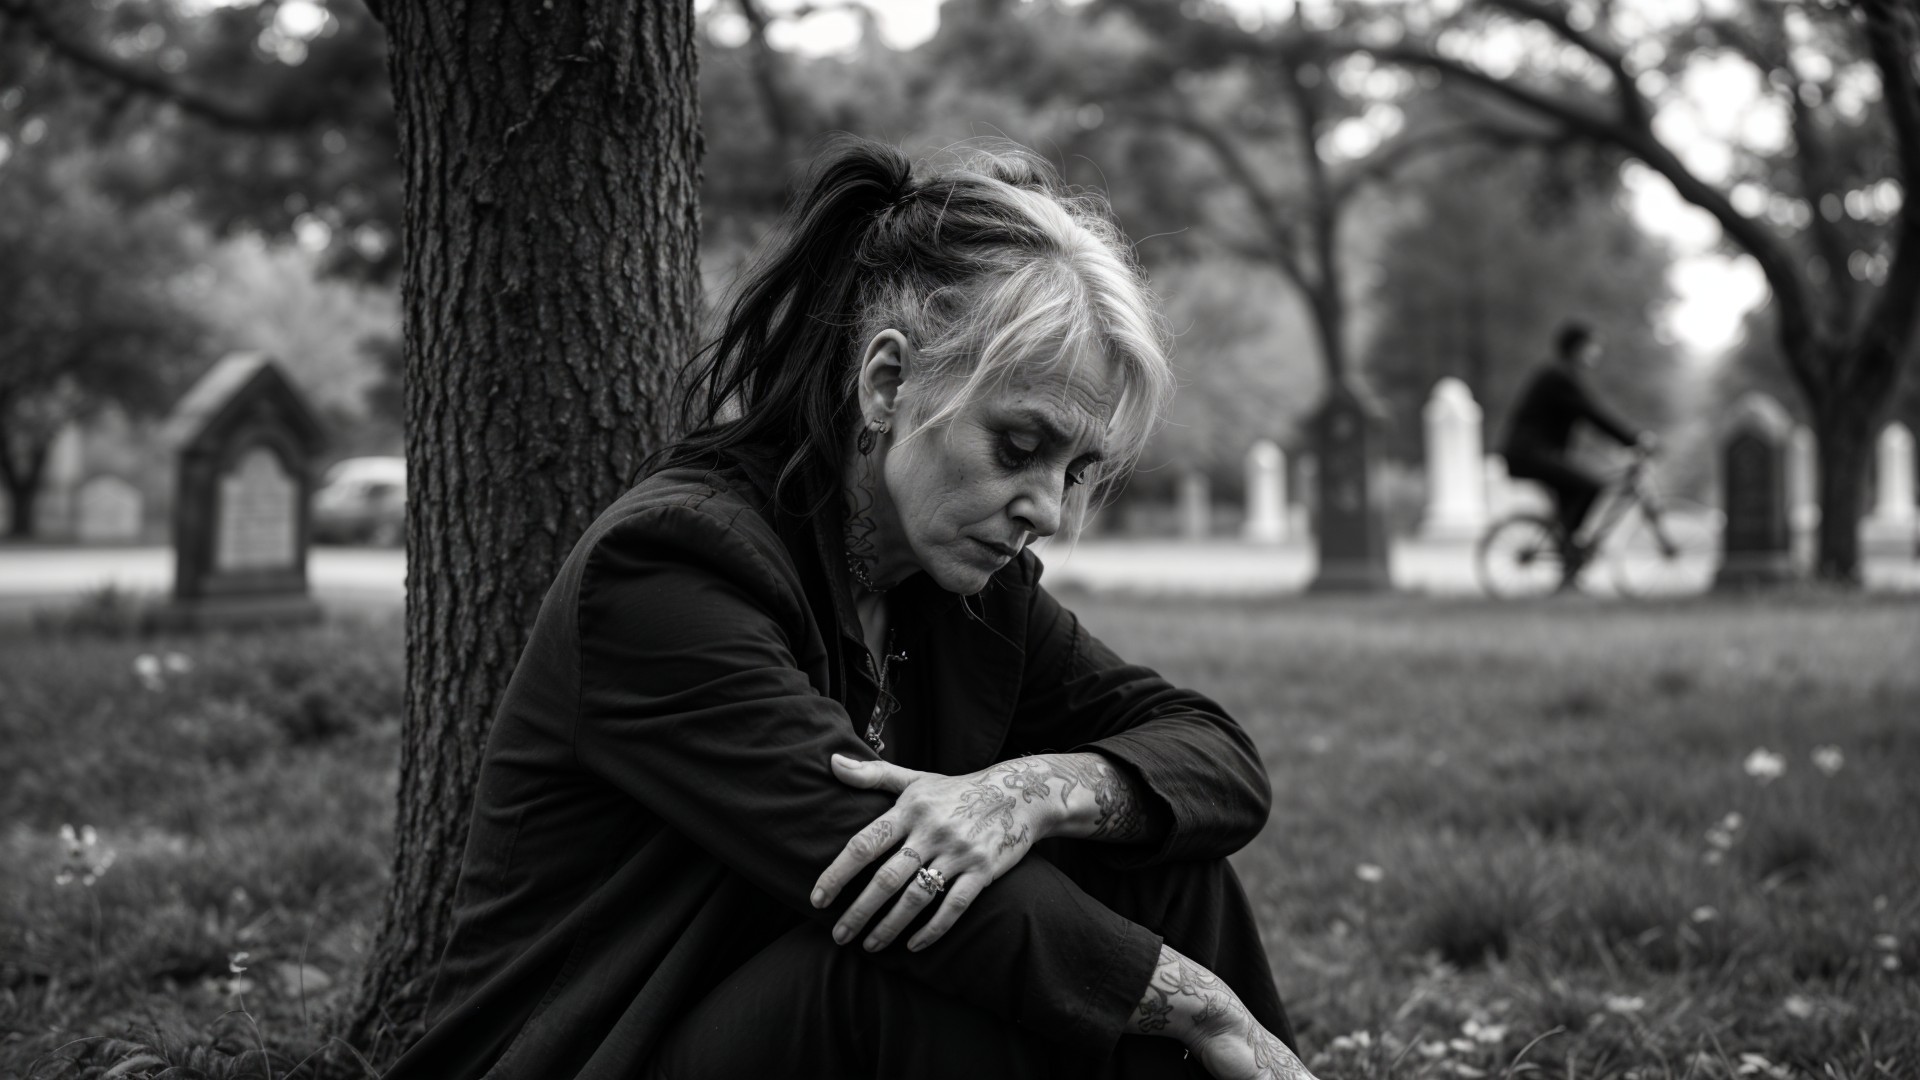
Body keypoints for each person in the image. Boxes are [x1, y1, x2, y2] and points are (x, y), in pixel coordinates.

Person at [380, 138, 1313, 1080]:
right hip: (604, 1050)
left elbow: (1212, 757)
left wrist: (1027, 794)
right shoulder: (670, 570)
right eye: (1019, 446)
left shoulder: (965, 591)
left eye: (1077, 471)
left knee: (1166, 863)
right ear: (887, 383)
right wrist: (1205, 1009)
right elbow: (887, 870)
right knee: (900, 960)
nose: (1051, 512)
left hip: (777, 1022)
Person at [1501, 322, 1656, 557]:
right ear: (1577, 348)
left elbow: (1585, 416)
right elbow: (1592, 414)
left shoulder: (1563, 375)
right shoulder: (1559, 377)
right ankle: (1570, 550)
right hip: (1529, 454)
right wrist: (1632, 439)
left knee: (1572, 496)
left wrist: (1625, 441)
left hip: (1537, 453)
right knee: (1590, 486)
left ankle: (1568, 556)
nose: (1596, 352)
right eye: (1592, 346)